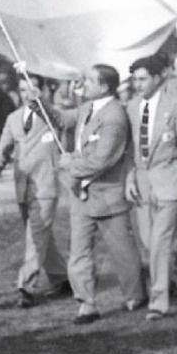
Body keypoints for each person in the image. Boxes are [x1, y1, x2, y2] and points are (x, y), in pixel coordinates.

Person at [55, 65, 142, 324]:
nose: (84, 83)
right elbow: (61, 119)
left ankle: (135, 295)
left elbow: (102, 160)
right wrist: (39, 103)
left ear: (104, 86)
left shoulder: (114, 116)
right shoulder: (87, 108)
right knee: (79, 251)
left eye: (90, 80)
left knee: (122, 252)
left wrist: (70, 164)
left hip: (108, 195)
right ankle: (86, 303)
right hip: (82, 193)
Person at [125, 53, 177, 320]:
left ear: (158, 79)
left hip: (171, 181)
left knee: (160, 242)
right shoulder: (132, 107)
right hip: (144, 186)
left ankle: (159, 301)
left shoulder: (176, 105)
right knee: (153, 241)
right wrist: (130, 177)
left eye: (143, 79)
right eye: (134, 80)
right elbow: (129, 150)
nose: (138, 84)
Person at [0, 74, 70, 309]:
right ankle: (62, 277)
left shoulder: (52, 114)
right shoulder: (13, 118)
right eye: (22, 90)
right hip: (23, 187)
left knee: (36, 237)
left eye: (31, 90)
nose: (26, 95)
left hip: (46, 186)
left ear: (41, 91)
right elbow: (2, 150)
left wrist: (44, 104)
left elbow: (60, 122)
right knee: (42, 238)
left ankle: (26, 287)